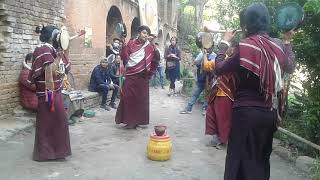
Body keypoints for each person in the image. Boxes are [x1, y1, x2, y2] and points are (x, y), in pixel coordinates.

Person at [204, 3, 296, 179]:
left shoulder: (244, 46)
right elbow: (290, 66)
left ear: (247, 24)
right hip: (269, 115)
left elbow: (220, 68)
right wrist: (287, 41)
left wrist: (224, 43)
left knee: (238, 161)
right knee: (260, 161)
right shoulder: (277, 46)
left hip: (245, 114)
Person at [29, 25, 71, 161]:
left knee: (56, 122)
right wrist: (58, 58)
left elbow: (65, 68)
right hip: (48, 94)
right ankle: (46, 153)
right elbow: (49, 71)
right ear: (53, 37)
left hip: (54, 91)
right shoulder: (43, 50)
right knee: (52, 122)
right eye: (58, 35)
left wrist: (63, 52)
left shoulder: (51, 49)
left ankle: (55, 152)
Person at [115, 25, 160, 129]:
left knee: (141, 99)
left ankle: (138, 121)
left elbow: (156, 59)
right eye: (144, 33)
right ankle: (129, 121)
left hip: (143, 77)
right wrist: (123, 47)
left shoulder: (149, 46)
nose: (146, 35)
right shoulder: (131, 43)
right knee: (128, 98)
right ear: (139, 33)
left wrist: (150, 73)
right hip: (131, 75)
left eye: (147, 34)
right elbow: (125, 57)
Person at [204, 46, 236, 149]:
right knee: (210, 114)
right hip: (216, 92)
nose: (230, 50)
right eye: (229, 48)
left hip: (226, 94)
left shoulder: (234, 62)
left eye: (232, 48)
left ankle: (223, 141)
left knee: (223, 119)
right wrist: (205, 54)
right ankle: (216, 138)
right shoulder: (221, 60)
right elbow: (207, 66)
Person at [180, 46, 216, 115]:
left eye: (210, 47)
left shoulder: (215, 56)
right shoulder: (201, 54)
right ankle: (188, 109)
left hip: (209, 80)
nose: (208, 49)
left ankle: (205, 109)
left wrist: (207, 63)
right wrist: (203, 57)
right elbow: (195, 63)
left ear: (212, 48)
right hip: (201, 79)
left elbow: (214, 68)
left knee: (207, 96)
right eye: (207, 47)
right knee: (194, 94)